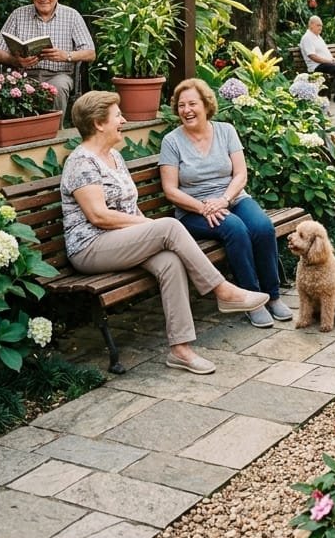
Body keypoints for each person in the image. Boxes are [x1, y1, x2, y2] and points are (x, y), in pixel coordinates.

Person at [60, 91, 268, 375]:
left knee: (169, 261)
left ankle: (180, 350)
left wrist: (147, 228)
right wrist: (151, 228)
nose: (123, 120)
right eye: (117, 116)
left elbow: (130, 209)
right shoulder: (82, 162)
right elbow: (99, 216)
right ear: (98, 123)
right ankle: (223, 290)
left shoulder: (114, 157)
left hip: (118, 241)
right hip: (90, 247)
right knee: (169, 226)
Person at [159, 79, 294, 329]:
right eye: (181, 105)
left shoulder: (226, 131)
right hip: (193, 210)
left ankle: (273, 296)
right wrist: (203, 207)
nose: (186, 110)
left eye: (192, 104)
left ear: (206, 105)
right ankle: (251, 300)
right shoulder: (172, 141)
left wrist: (223, 200)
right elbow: (170, 190)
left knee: (262, 227)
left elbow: (240, 174)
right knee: (235, 229)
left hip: (231, 198)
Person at [0, 0, 95, 120]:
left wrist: (66, 56)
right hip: (24, 75)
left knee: (58, 88)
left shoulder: (72, 16)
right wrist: (16, 61)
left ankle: (54, 136)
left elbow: (90, 53)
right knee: (12, 90)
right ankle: (23, 138)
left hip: (59, 75)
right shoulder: (18, 15)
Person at [299, 16, 335, 102]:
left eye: (321, 26)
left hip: (327, 63)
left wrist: (334, 60)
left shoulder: (318, 37)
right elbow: (312, 56)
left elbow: (325, 53)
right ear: (311, 25)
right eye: (318, 25)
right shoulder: (307, 38)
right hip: (317, 66)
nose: (321, 28)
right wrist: (330, 62)